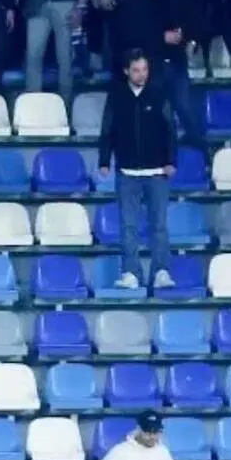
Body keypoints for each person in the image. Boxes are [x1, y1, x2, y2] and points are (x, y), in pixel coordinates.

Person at [97, 52, 176, 292]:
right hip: (127, 172)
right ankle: (131, 272)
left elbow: (169, 131)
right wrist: (104, 160)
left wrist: (171, 160)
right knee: (128, 226)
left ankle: (161, 271)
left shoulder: (159, 94)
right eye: (136, 70)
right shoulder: (117, 97)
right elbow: (107, 130)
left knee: (159, 225)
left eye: (144, 69)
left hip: (157, 172)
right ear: (126, 71)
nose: (142, 74)